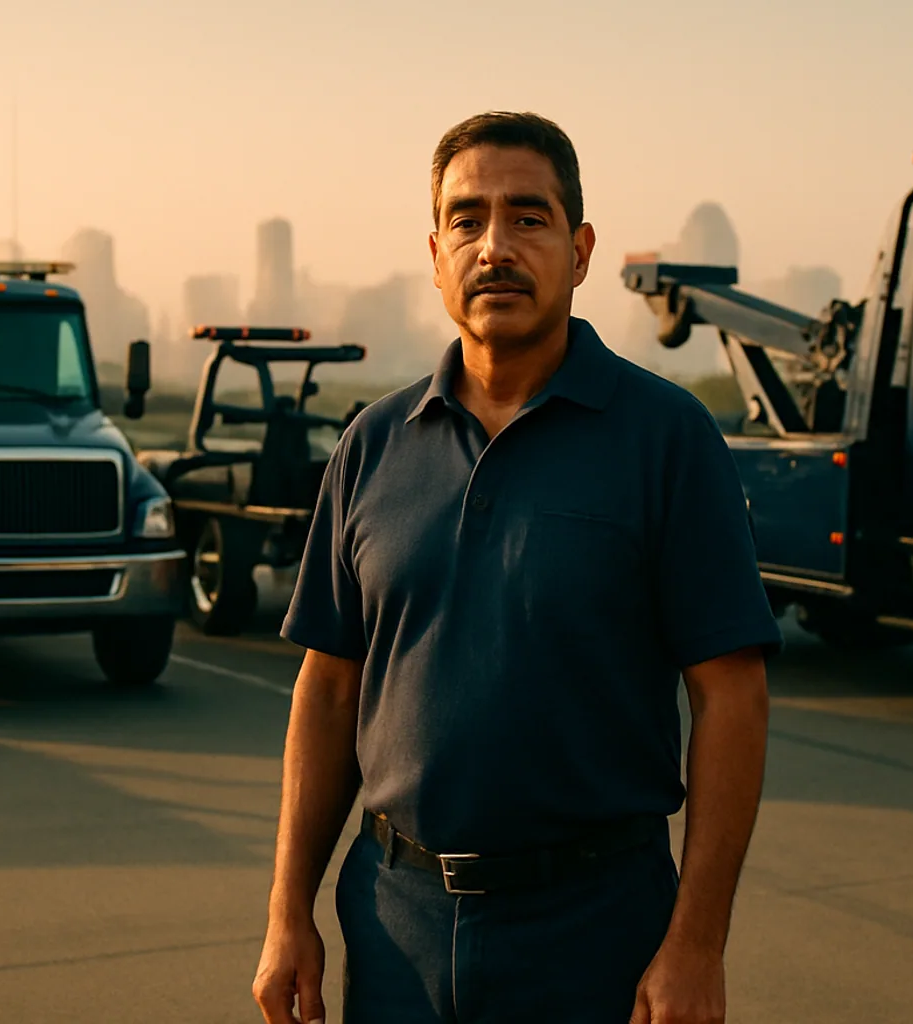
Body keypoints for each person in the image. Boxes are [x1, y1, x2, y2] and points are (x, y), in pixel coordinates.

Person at [252, 110, 781, 1024]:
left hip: (594, 924)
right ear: (435, 253)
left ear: (578, 252)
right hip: (394, 918)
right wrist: (286, 913)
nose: (495, 245)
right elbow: (328, 690)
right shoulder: (373, 445)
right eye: (467, 219)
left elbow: (732, 698)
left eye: (528, 218)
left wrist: (696, 944)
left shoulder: (666, 440)